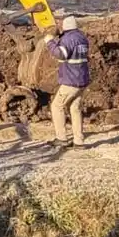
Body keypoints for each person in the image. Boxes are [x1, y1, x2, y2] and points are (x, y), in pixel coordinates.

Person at [44, 15, 90, 148]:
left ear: (65, 26)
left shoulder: (68, 39)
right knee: (75, 108)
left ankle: (61, 138)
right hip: (82, 79)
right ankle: (79, 141)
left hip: (71, 80)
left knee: (56, 106)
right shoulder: (82, 38)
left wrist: (50, 42)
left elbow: (61, 54)